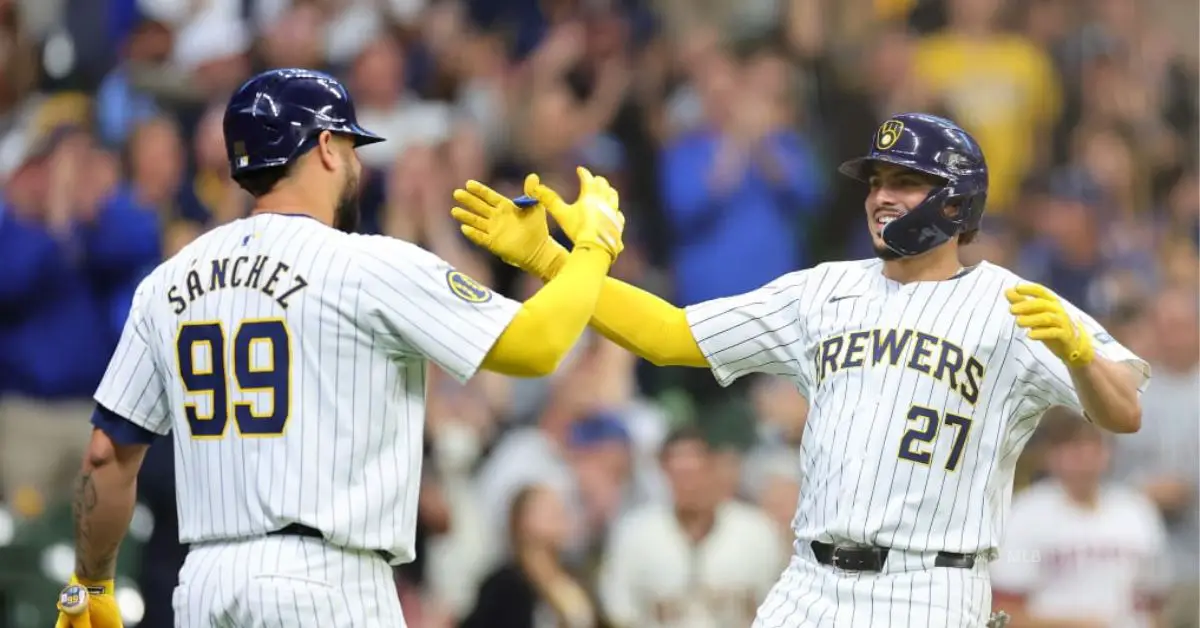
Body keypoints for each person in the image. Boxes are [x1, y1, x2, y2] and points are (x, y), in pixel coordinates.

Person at [449, 112, 1149, 627]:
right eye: (877, 181)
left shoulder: (1013, 302)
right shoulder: (821, 291)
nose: (881, 196)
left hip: (928, 590)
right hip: (809, 585)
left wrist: (1082, 357)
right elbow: (671, 335)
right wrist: (553, 262)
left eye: (906, 181)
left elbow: (1124, 412)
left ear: (957, 199)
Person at [52, 68, 626, 628]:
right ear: (325, 146)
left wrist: (91, 583)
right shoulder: (367, 265)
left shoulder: (168, 282)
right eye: (352, 148)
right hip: (327, 584)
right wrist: (591, 249)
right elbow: (537, 347)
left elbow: (106, 455)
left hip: (205, 584)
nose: (358, 165)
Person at [991, 409, 1170, 628]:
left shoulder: (1136, 510)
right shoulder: (1024, 514)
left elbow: (1154, 604)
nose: (1085, 455)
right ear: (1050, 454)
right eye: (1073, 446)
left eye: (1094, 444)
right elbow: (1006, 614)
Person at [597, 425, 786, 628]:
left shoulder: (756, 531)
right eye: (679, 473)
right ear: (664, 472)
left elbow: (781, 608)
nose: (688, 483)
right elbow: (619, 611)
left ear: (713, 468)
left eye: (695, 471)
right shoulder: (635, 533)